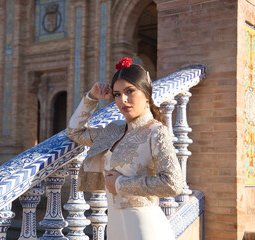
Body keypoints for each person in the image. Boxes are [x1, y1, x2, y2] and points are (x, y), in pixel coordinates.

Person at [66, 58, 183, 240]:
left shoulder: (156, 131)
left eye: (130, 91)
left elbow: (173, 183)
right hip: (114, 229)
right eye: (117, 94)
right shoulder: (113, 130)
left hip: (145, 228)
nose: (123, 100)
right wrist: (91, 98)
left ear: (146, 93)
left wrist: (120, 184)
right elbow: (74, 132)